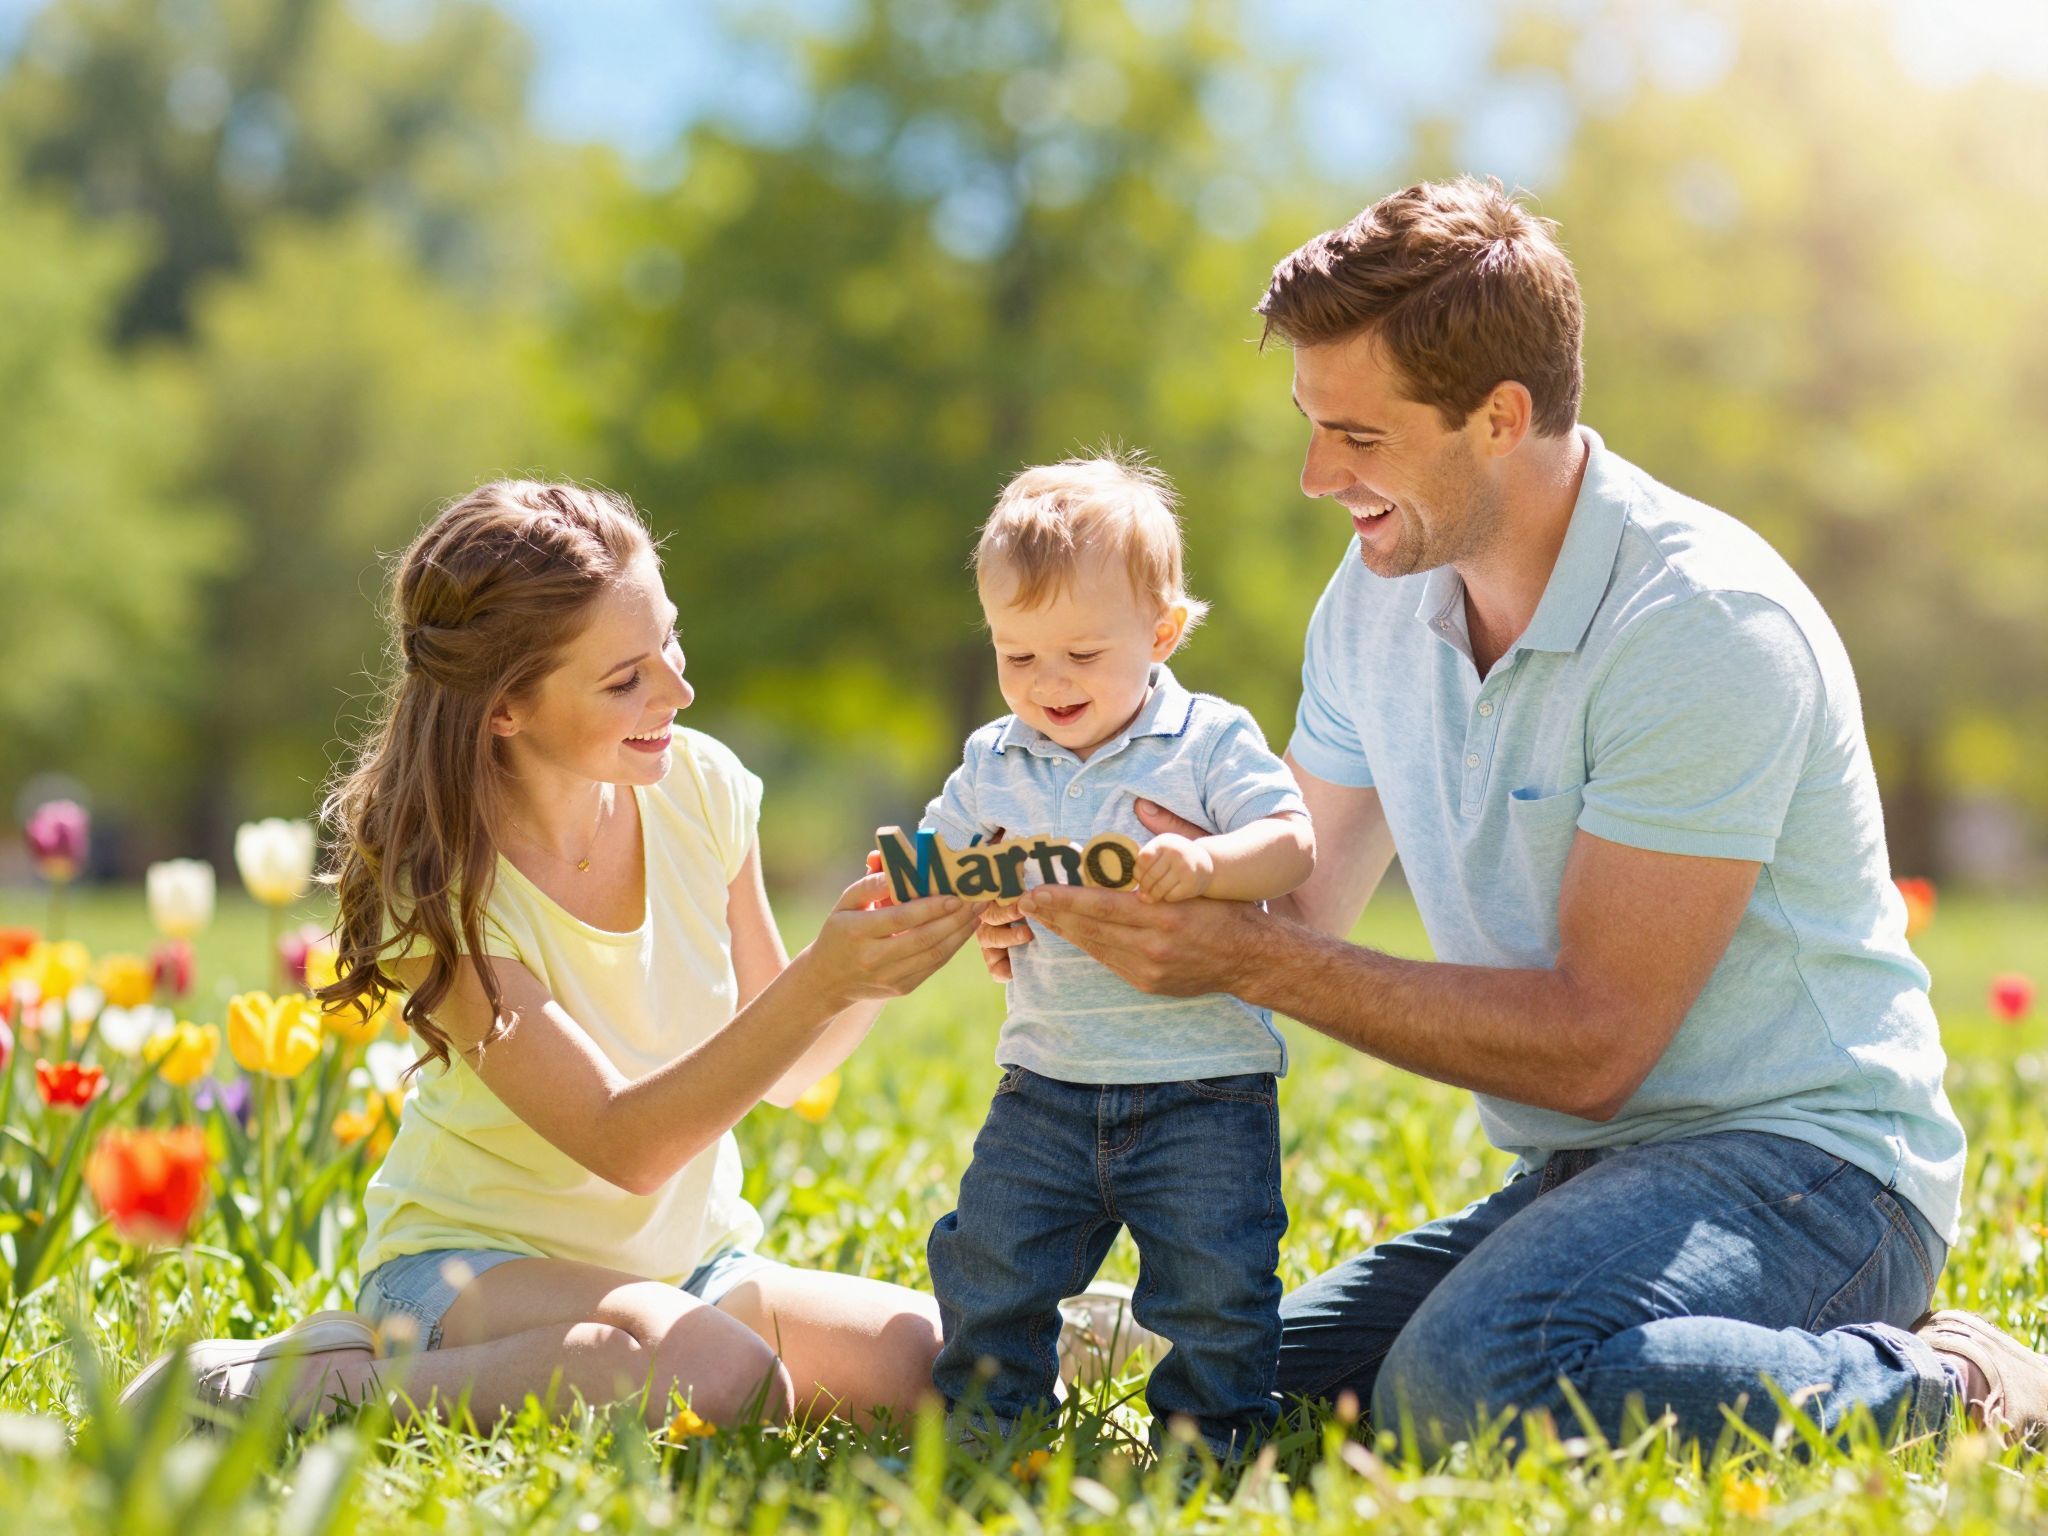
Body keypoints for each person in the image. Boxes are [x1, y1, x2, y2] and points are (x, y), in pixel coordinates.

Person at [996, 178, 2048, 1450]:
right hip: (1587, 1176)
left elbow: (1593, 1049)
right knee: (1252, 1393)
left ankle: (1955, 1387)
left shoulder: (1700, 627)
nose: (1316, 476)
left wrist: (1249, 959)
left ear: (1498, 417)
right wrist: (1086, 902)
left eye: (1358, 436)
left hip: (1809, 1168)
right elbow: (1290, 902)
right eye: (1311, 426)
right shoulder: (1376, 595)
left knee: (1469, 1386)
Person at [122, 479, 981, 1432]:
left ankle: (643, 1348)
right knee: (721, 1379)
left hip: (688, 1268)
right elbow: (626, 1144)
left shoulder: (702, 789)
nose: (679, 691)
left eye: (671, 641)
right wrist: (821, 980)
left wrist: (883, 955)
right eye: (625, 680)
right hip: (472, 1274)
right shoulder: (442, 892)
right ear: (506, 710)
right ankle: (291, 1386)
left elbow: (791, 1067)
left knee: (945, 1366)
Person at [921, 455, 1315, 1458]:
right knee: (991, 1264)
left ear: (1162, 633)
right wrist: (958, 890)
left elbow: (1290, 841)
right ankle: (990, 1432)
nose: (1047, 683)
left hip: (1202, 1088)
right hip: (1045, 1081)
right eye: (1017, 654)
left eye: (1082, 654)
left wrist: (1210, 860)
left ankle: (1212, 1444)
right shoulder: (993, 757)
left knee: (1216, 1286)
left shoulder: (1207, 740)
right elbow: (934, 857)